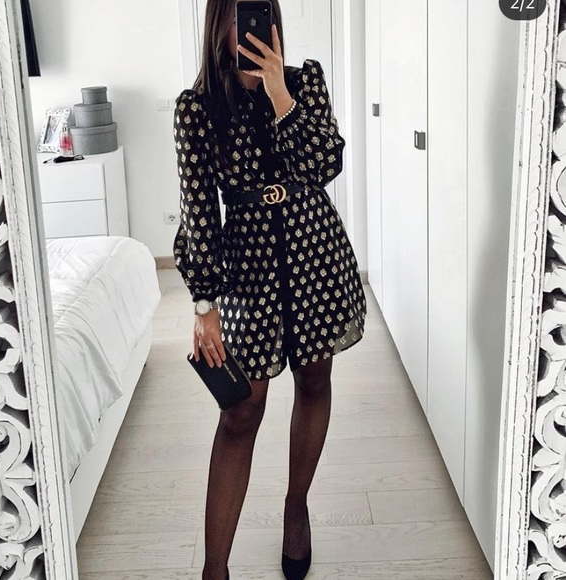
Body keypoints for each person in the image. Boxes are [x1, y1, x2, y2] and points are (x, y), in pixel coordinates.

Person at [173, 1, 367, 578]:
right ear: (220, 23)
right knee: (241, 410)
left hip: (315, 252)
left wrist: (281, 93)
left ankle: (296, 505)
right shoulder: (197, 108)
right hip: (247, 268)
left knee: (315, 378)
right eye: (240, 14)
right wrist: (204, 302)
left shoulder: (305, 82)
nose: (251, 27)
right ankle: (214, 569)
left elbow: (324, 165)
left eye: (261, 10)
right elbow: (198, 209)